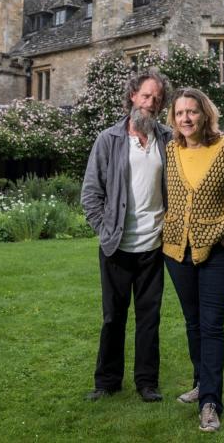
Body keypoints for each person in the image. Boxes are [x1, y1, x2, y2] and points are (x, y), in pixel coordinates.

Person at [162, 87, 224, 433]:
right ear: (173, 118)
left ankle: (211, 403)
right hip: (176, 252)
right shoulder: (171, 150)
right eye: (180, 113)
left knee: (211, 326)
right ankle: (202, 383)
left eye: (193, 112)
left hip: (218, 254)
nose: (186, 118)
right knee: (192, 323)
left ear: (205, 114)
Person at [81, 68, 173, 403]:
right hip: (117, 246)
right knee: (113, 317)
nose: (151, 103)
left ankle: (147, 383)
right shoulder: (109, 139)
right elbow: (91, 194)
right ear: (132, 95)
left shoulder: (168, 139)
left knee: (150, 318)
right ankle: (107, 382)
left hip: (154, 245)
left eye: (157, 99)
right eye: (146, 95)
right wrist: (105, 229)